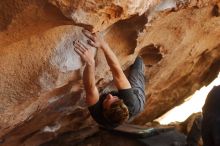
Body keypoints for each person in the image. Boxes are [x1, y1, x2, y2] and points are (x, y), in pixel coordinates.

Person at [74, 30, 146, 128]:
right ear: (122, 100)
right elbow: (117, 72)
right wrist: (103, 44)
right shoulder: (130, 101)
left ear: (104, 110)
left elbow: (90, 88)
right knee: (136, 72)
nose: (110, 95)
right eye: (115, 98)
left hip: (115, 113)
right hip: (137, 103)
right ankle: (140, 59)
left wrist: (90, 63)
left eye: (108, 99)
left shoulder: (98, 114)